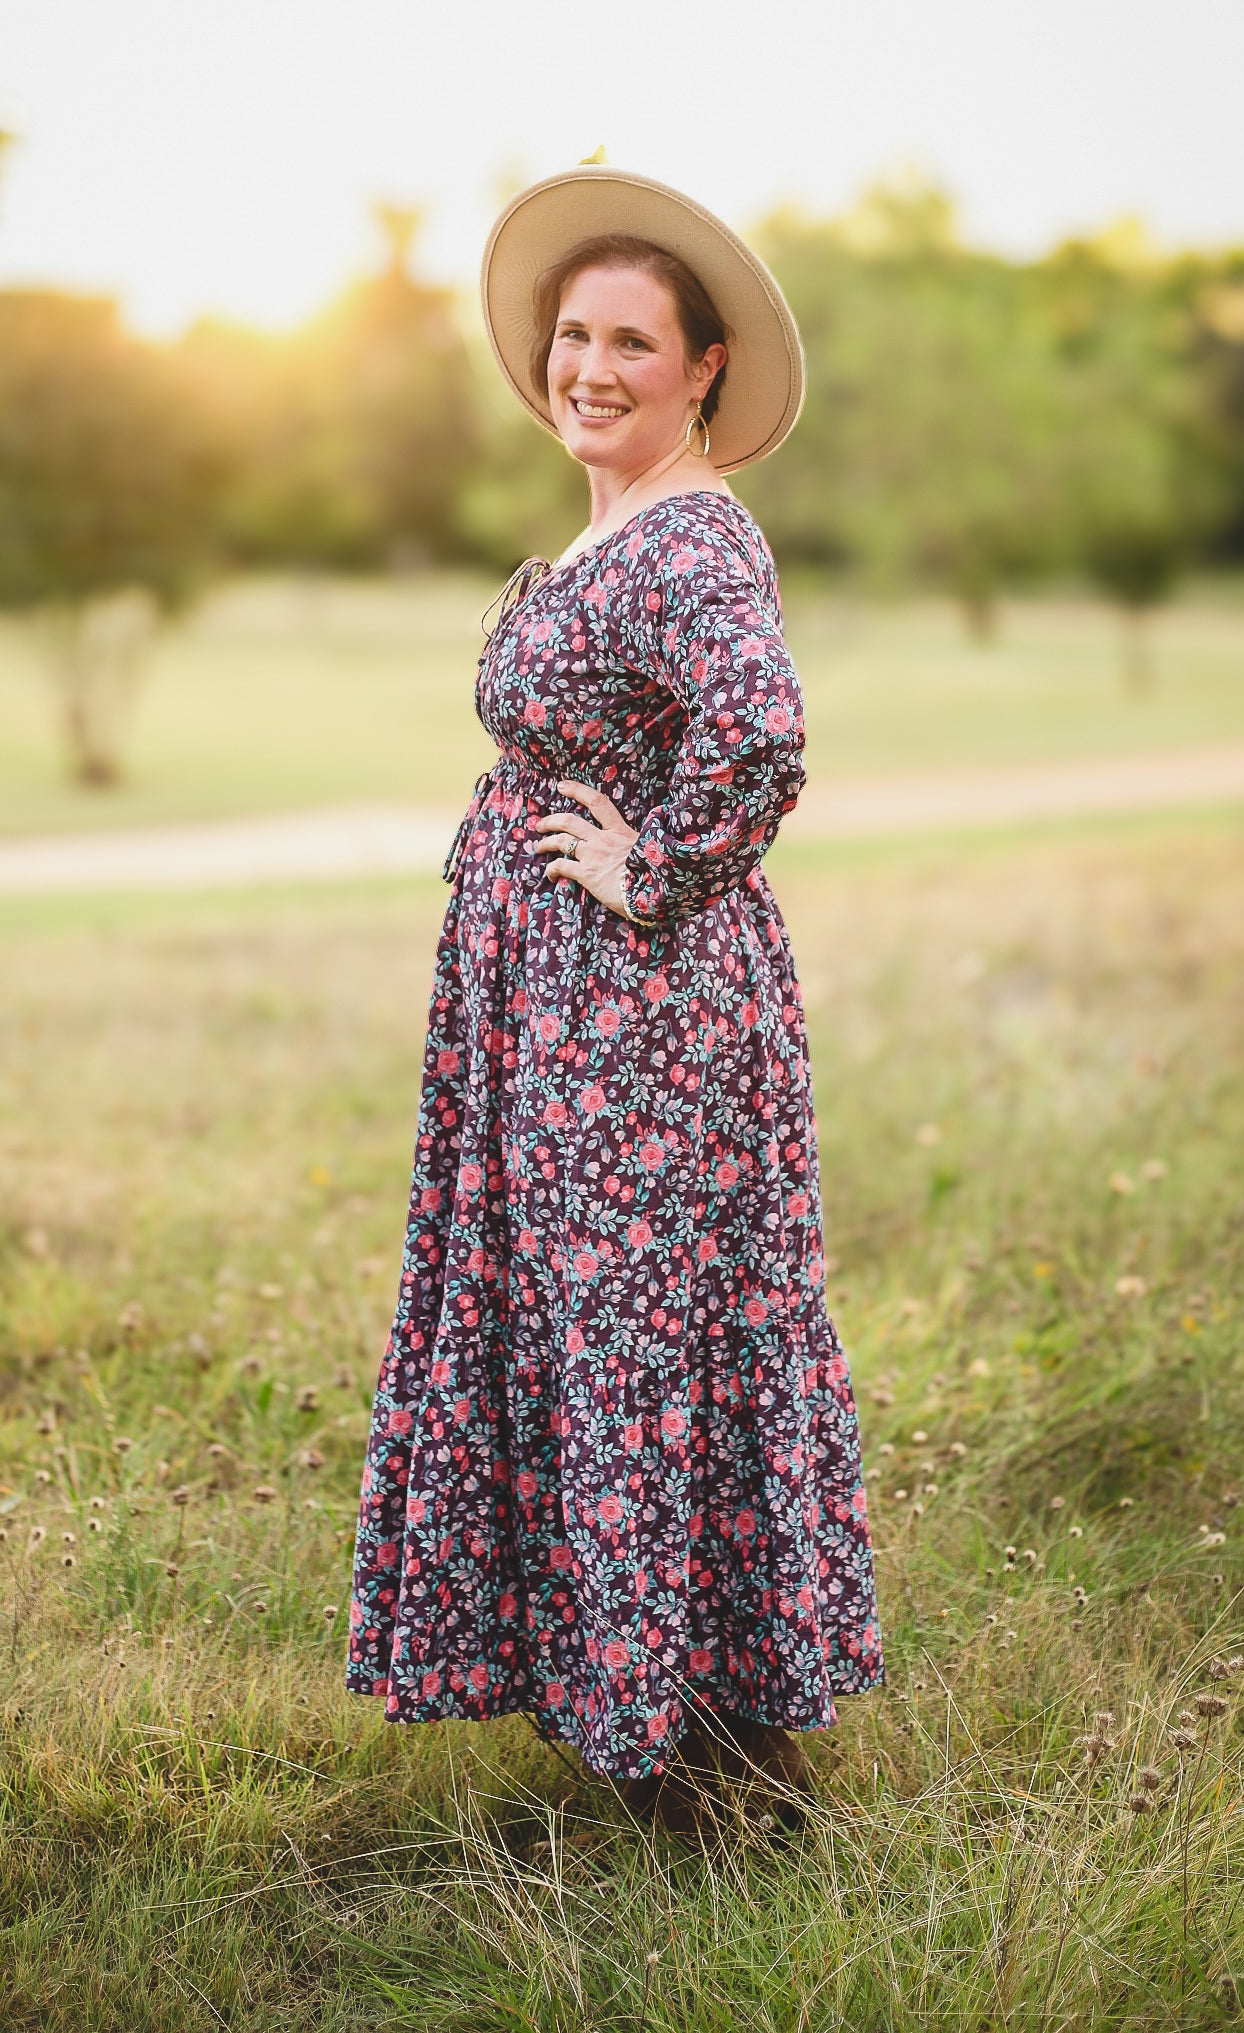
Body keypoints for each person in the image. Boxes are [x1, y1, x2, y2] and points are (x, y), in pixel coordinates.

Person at [347, 164, 882, 1833]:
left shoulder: (696, 540)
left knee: (647, 1335)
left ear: (702, 366)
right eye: (572, 334)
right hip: (559, 1014)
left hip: (637, 1021)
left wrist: (643, 871)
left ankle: (712, 1755)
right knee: (596, 1329)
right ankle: (637, 1706)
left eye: (631, 341)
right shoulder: (612, 529)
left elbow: (763, 732)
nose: (590, 366)